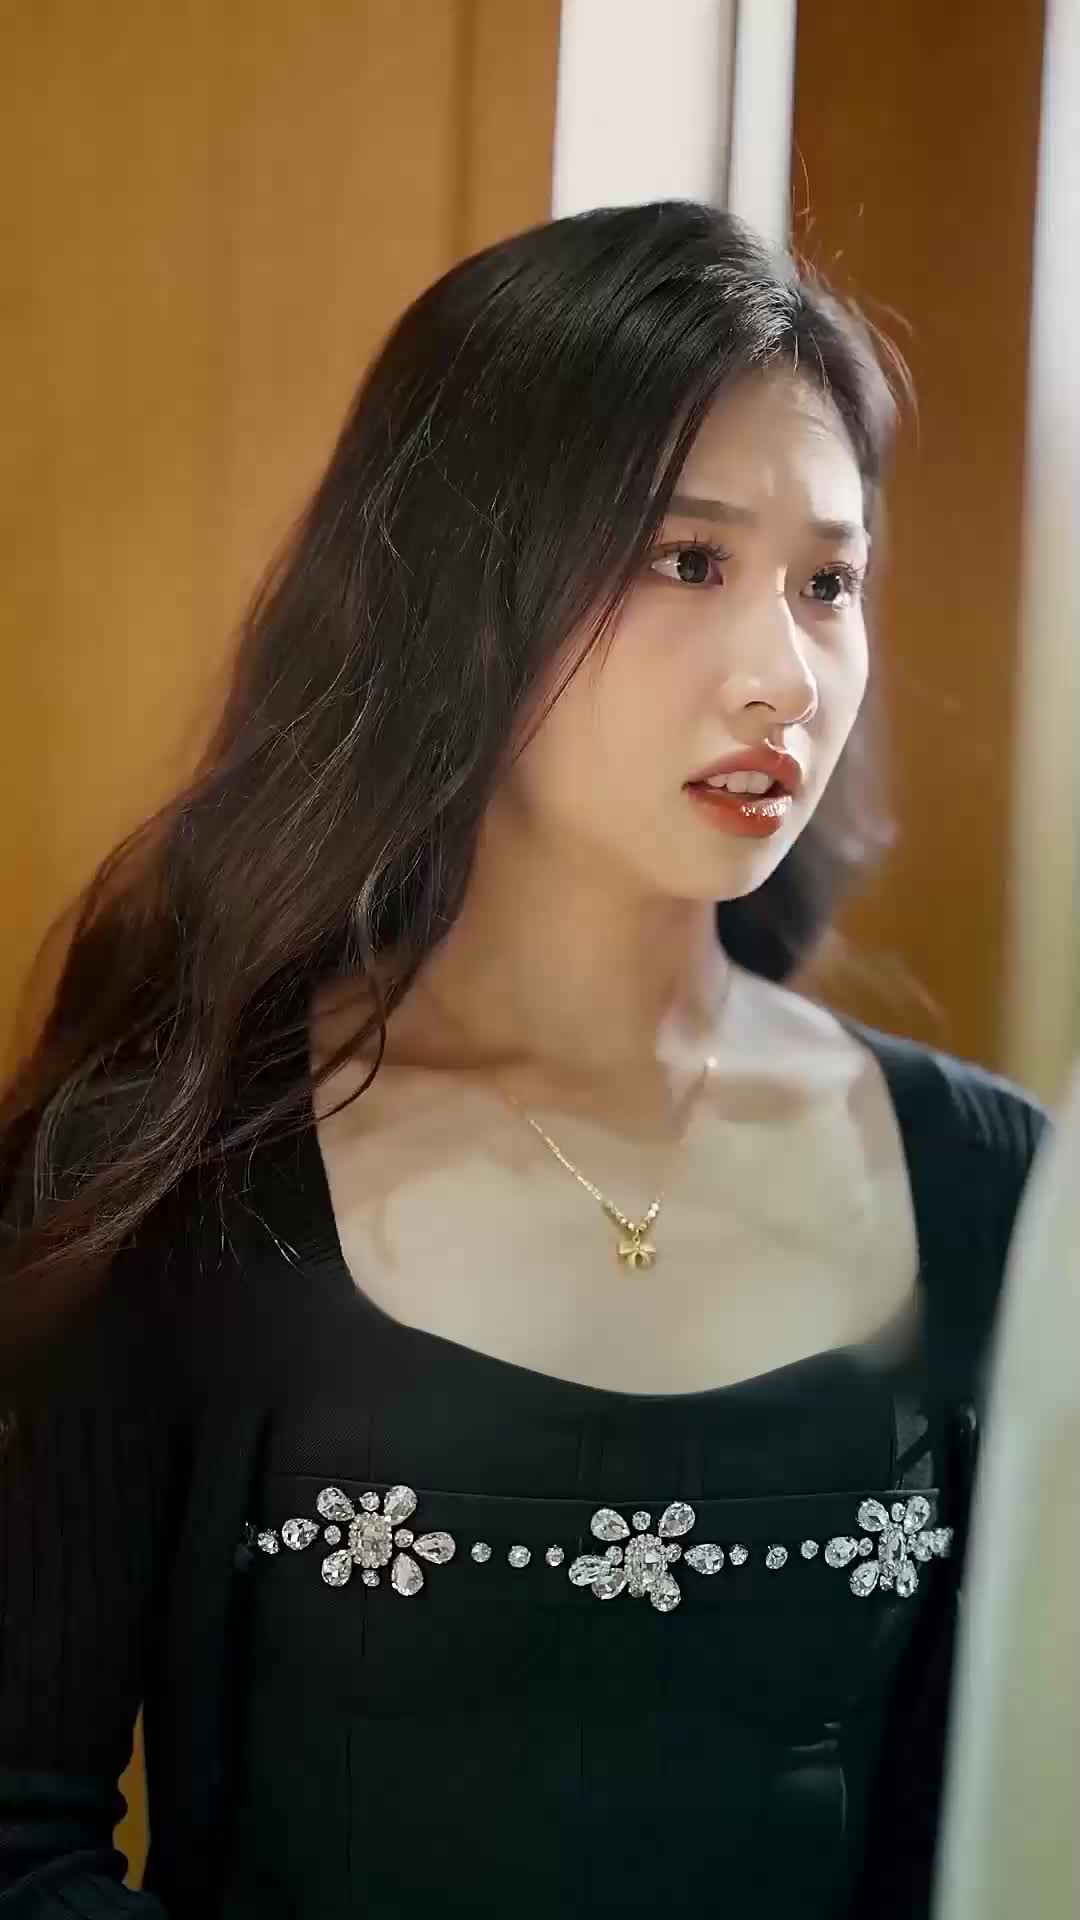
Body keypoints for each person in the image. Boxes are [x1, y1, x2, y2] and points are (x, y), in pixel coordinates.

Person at [0, 202, 1047, 1919]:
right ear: (457, 593)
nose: (784, 676)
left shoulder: (991, 1185)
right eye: (686, 561)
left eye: (829, 583)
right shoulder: (180, 1158)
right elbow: (18, 1844)